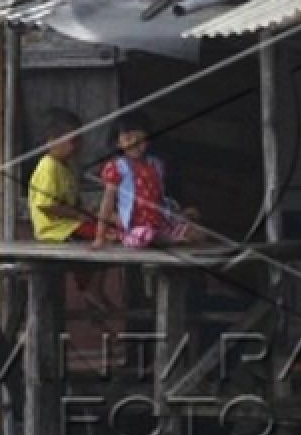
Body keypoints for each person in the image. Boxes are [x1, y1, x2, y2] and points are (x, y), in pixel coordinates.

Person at [27, 109, 112, 307]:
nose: (76, 147)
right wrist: (78, 215)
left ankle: (90, 286)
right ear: (51, 141)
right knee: (104, 236)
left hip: (70, 223)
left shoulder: (66, 167)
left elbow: (74, 200)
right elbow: (46, 205)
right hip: (56, 229)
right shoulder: (48, 167)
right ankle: (91, 288)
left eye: (79, 141)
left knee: (105, 232)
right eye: (71, 141)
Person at [94, 111, 203, 248]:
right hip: (134, 228)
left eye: (140, 140)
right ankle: (165, 239)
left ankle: (166, 237)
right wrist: (99, 237)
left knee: (197, 233)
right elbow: (107, 203)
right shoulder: (116, 167)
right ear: (117, 142)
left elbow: (161, 198)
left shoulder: (156, 165)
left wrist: (179, 214)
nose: (134, 144)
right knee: (145, 235)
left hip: (159, 223)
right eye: (128, 139)